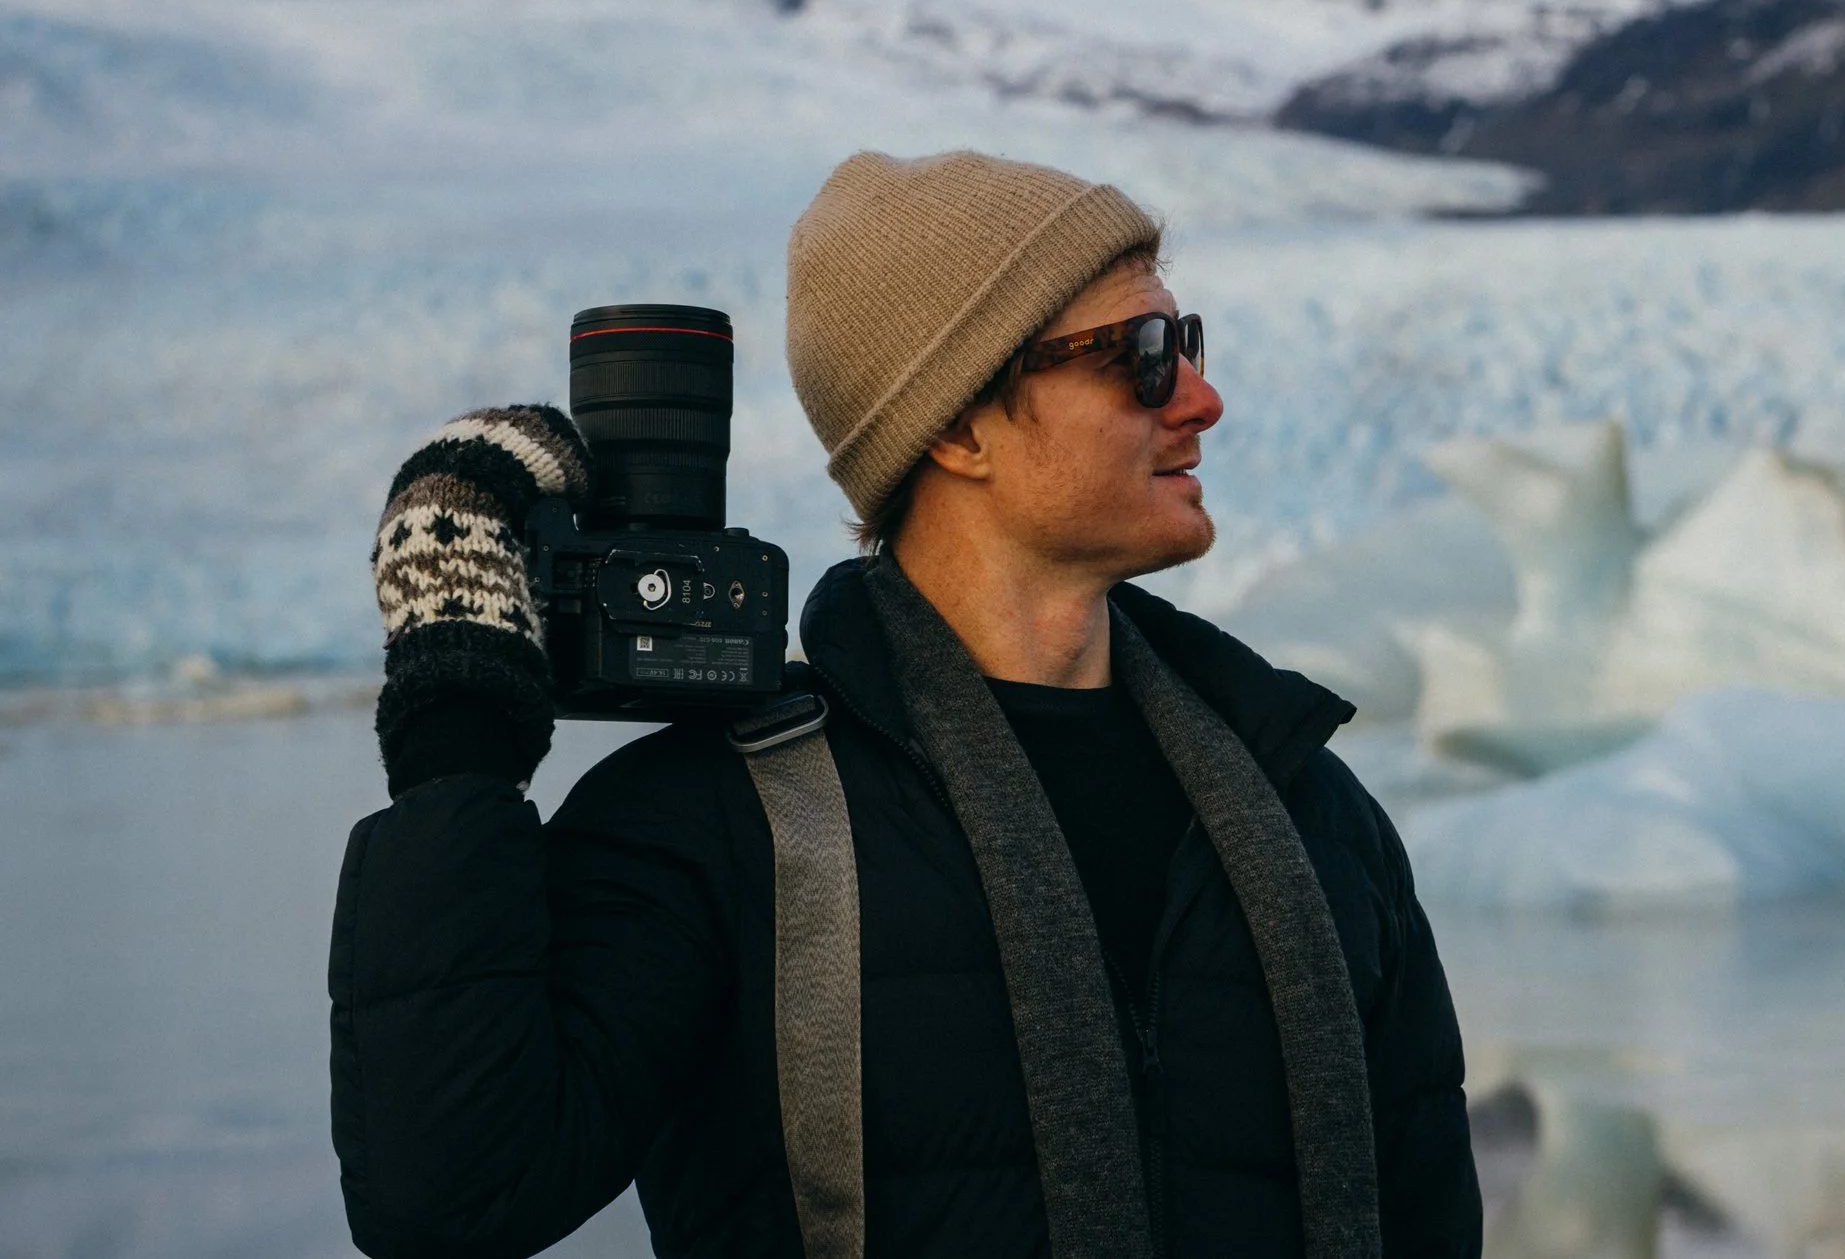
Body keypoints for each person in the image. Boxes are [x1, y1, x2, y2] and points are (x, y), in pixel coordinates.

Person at [330, 151, 1482, 1259]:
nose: (1200, 397)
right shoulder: (723, 828)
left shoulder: (1309, 808)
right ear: (957, 423)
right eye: (1138, 352)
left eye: (1184, 342)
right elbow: (452, 1194)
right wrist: (460, 736)